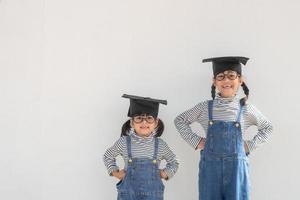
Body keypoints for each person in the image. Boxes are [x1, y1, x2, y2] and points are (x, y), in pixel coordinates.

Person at [174, 56, 273, 200]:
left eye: (231, 75)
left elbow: (267, 127)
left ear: (240, 80)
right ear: (214, 81)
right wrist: (196, 142)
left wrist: (249, 145)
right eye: (221, 76)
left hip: (237, 172)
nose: (226, 80)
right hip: (210, 173)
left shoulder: (245, 109)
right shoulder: (204, 108)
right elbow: (180, 120)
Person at [104, 94, 179, 200]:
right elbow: (108, 156)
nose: (144, 122)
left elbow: (174, 162)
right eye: (139, 118)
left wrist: (165, 173)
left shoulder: (160, 144)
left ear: (156, 122)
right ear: (132, 122)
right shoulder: (124, 142)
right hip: (128, 195)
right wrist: (116, 173)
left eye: (149, 118)